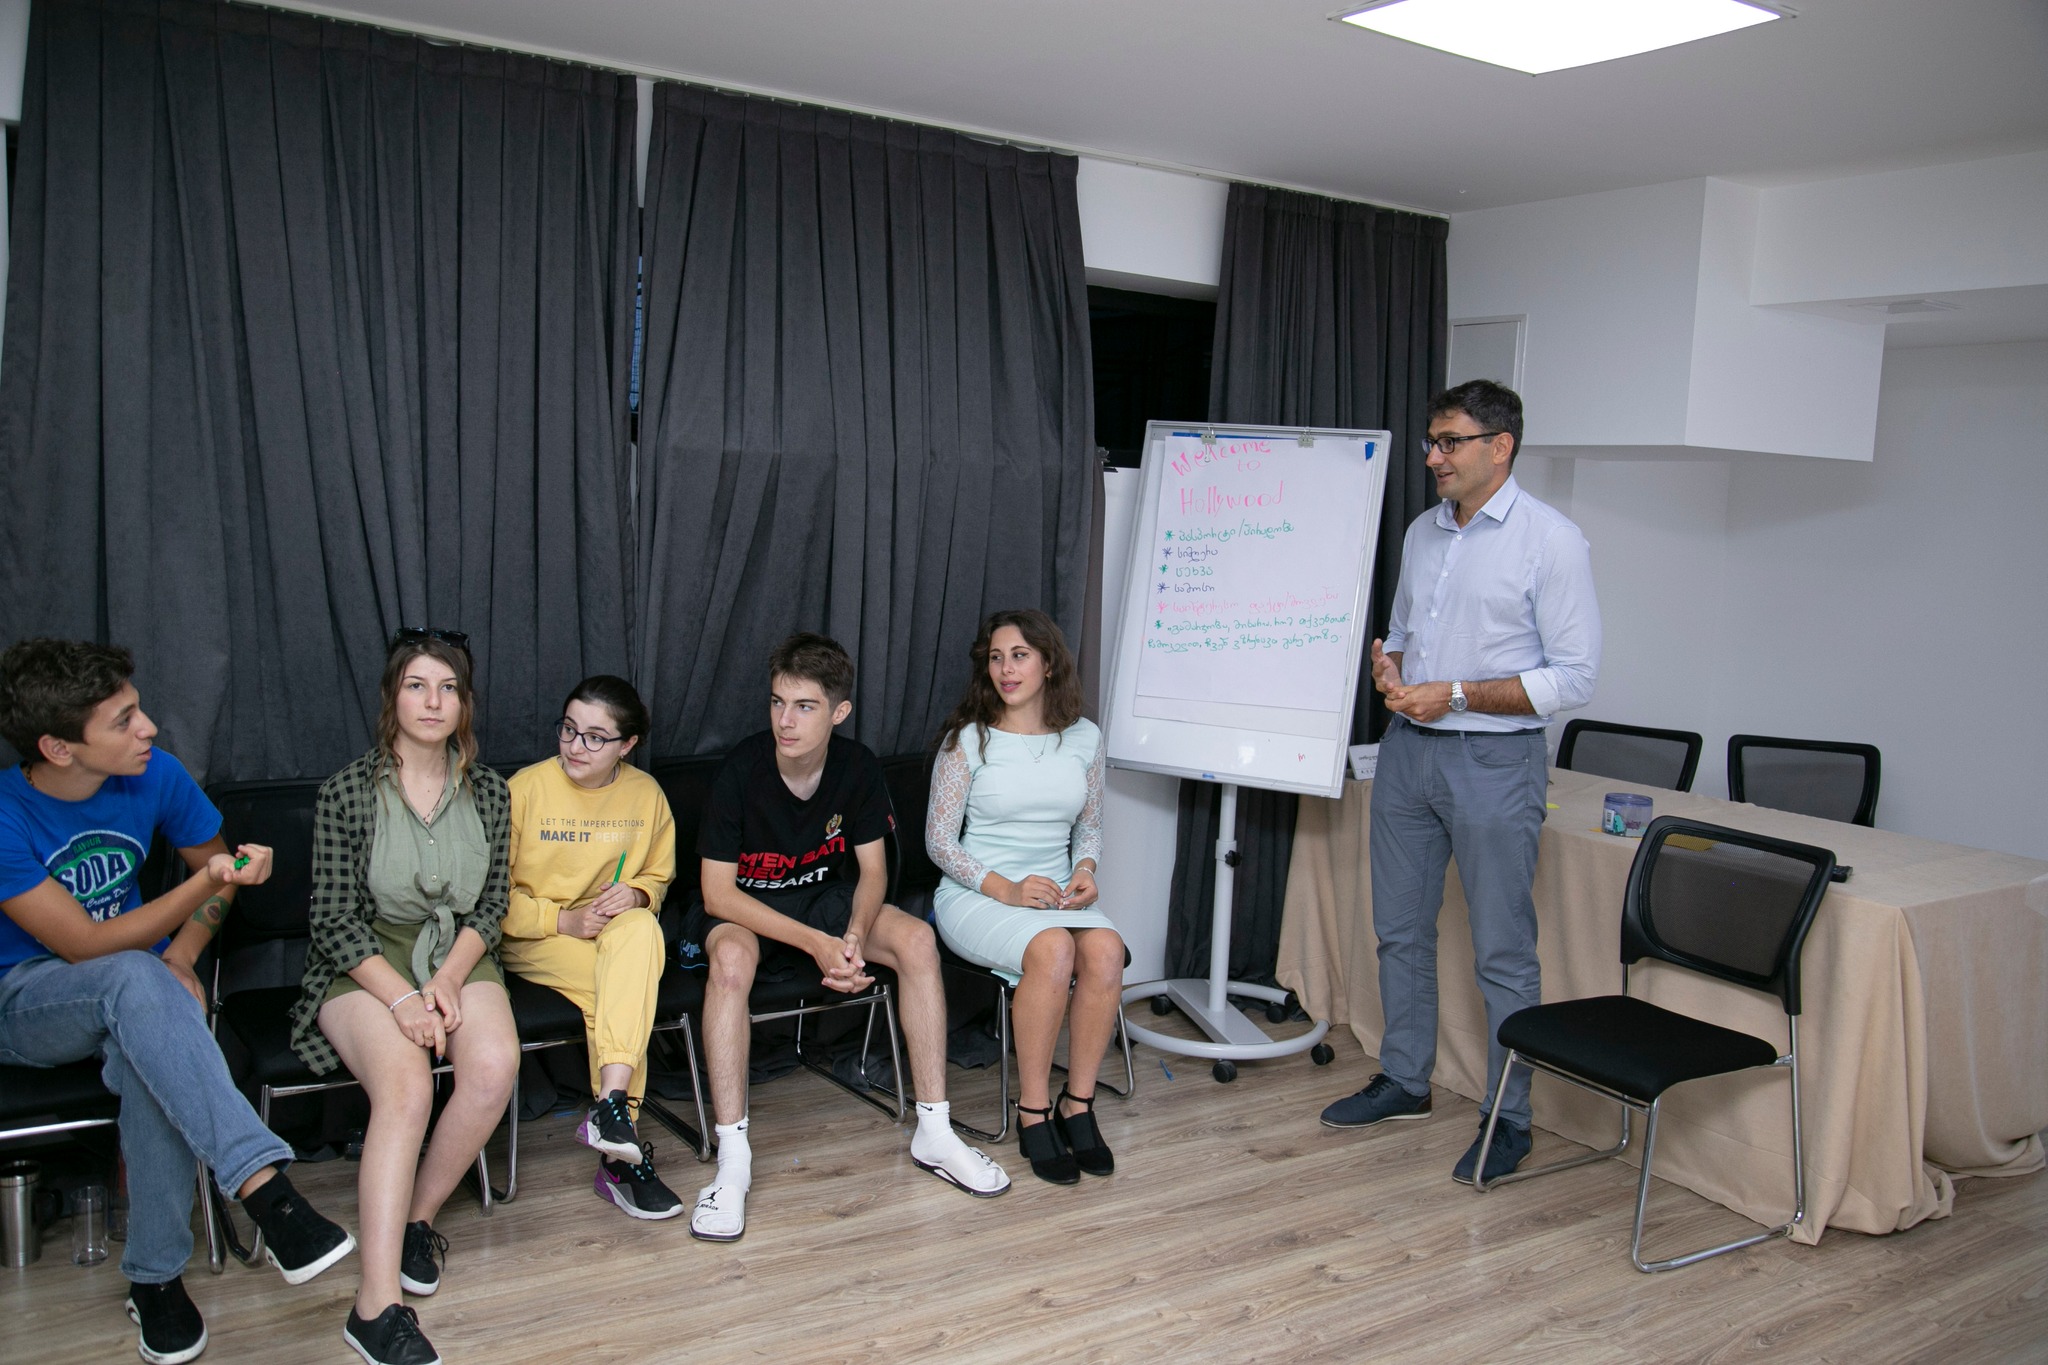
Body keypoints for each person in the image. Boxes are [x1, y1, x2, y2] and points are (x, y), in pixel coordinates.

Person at [0, 638, 354, 1365]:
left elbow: (221, 877)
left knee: (148, 1054)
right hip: (29, 998)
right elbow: (84, 946)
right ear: (58, 748)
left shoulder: (154, 773)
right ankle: (266, 1191)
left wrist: (184, 955)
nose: (150, 727)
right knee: (136, 977)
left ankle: (155, 1278)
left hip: (136, 992)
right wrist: (201, 889)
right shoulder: (5, 814)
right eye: (123, 720)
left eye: (139, 709)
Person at [1317, 380, 1601, 1186]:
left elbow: (1574, 677)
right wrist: (1394, 669)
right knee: (1400, 930)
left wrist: (1460, 694)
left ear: (1500, 446)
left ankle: (1509, 1117)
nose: (1433, 457)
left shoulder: (1553, 541)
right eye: (1431, 442)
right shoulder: (1423, 532)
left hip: (1495, 761)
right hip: (1409, 751)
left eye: (1450, 442)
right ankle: (1406, 1079)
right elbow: (1406, 635)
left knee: (1502, 948)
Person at [676, 633, 1009, 1241]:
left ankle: (935, 1131)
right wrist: (817, 943)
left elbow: (873, 871)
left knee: (916, 940)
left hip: (823, 903)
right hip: (746, 906)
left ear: (839, 712)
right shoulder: (741, 769)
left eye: (804, 706)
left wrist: (852, 936)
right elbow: (719, 895)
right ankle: (733, 1161)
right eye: (777, 702)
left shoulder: (856, 765)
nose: (785, 720)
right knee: (730, 963)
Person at [291, 630, 520, 1365]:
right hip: (363, 961)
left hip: (456, 951)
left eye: (448, 688)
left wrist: (448, 979)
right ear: (393, 696)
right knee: (408, 1087)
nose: (433, 701)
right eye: (417, 685)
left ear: (465, 703)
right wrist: (402, 1000)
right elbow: (333, 921)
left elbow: (492, 905)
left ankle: (418, 1218)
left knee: (493, 1065)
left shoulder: (491, 790)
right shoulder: (348, 791)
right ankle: (375, 1304)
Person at [927, 609, 1125, 1186]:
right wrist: (1006, 889)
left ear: (1049, 664)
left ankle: (1077, 1105)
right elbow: (939, 842)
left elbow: (1090, 826)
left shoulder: (1085, 737)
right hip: (977, 894)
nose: (1006, 669)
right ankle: (1033, 1109)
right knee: (1054, 950)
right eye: (996, 657)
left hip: (1054, 895)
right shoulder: (968, 740)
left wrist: (1085, 869)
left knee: (1106, 951)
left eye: (1019, 656)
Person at [501, 675, 681, 1220]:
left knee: (642, 929)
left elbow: (659, 878)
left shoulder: (646, 794)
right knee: (620, 995)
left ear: (627, 745)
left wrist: (638, 893)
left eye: (596, 738)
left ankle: (611, 1112)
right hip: (537, 935)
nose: (575, 746)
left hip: (612, 932)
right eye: (569, 729)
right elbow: (490, 900)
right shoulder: (524, 790)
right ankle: (620, 1155)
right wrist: (564, 919)